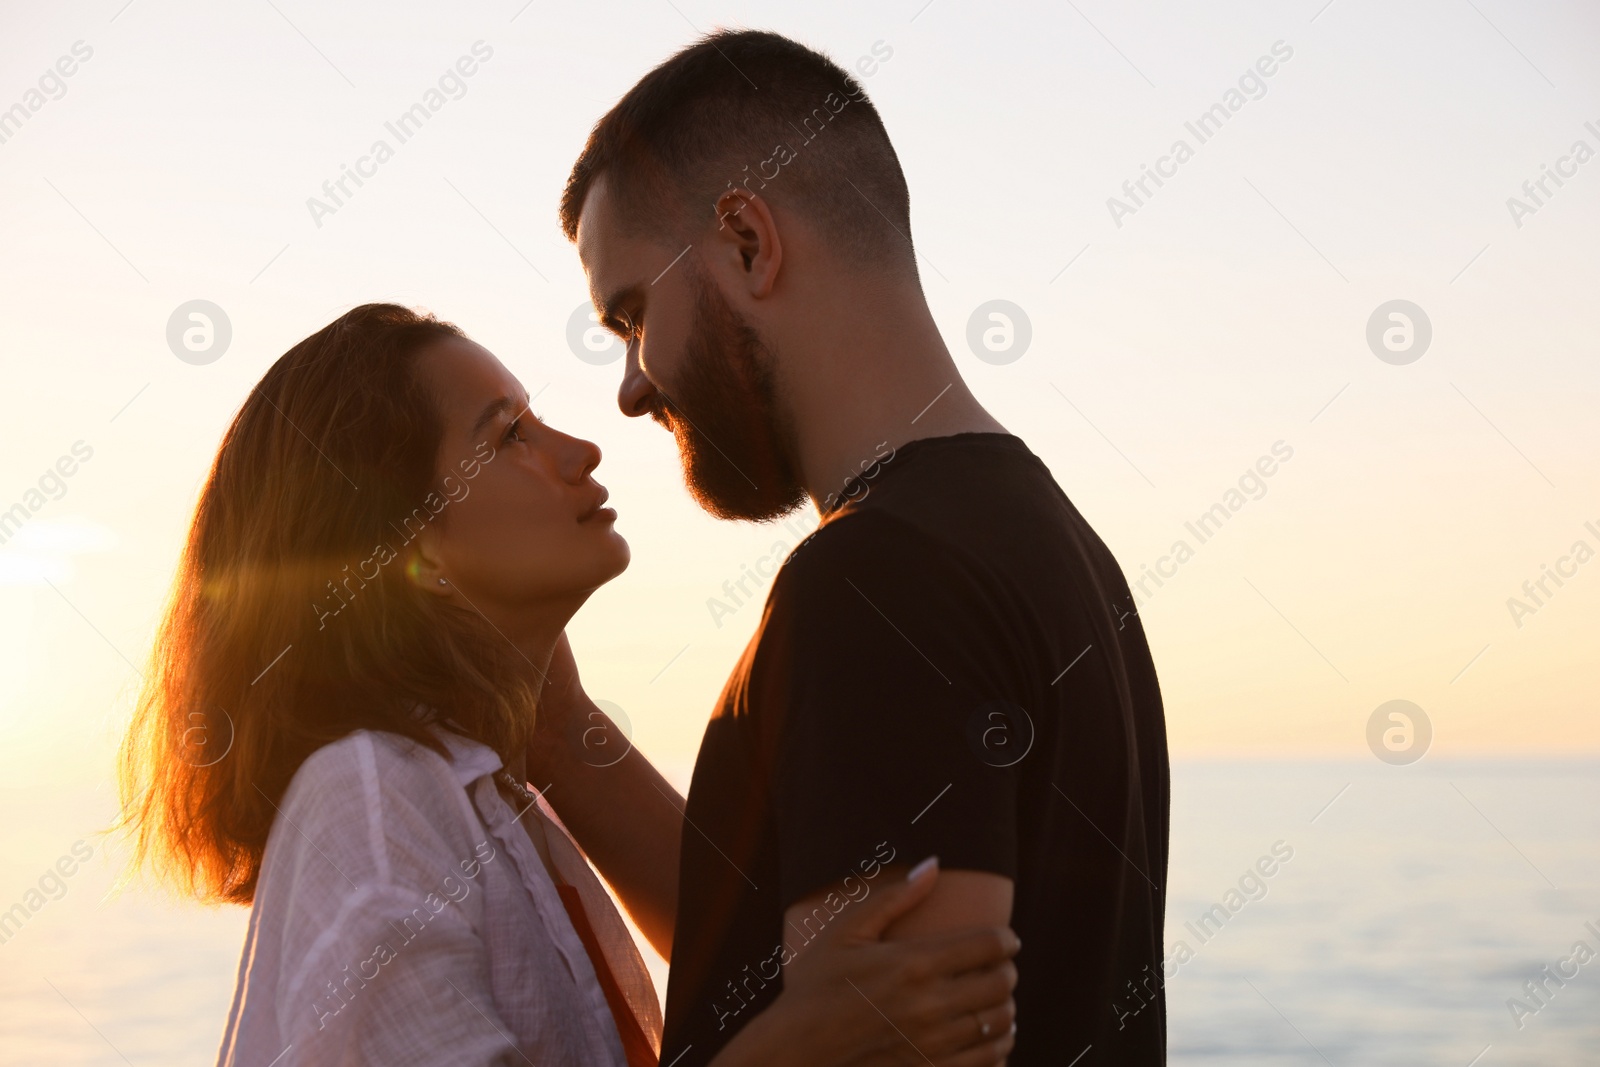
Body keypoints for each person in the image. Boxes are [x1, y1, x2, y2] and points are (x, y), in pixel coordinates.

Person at [118, 303, 1022, 1066]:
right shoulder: (370, 798)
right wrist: (797, 1046)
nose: (581, 447)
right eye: (509, 434)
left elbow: (722, 932)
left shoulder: (494, 801)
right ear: (415, 552)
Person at [532, 29, 1171, 1066]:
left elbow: (879, 1042)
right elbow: (785, 980)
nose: (632, 386)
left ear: (746, 241)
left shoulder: (875, 586)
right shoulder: (1050, 544)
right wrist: (563, 740)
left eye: (634, 314)